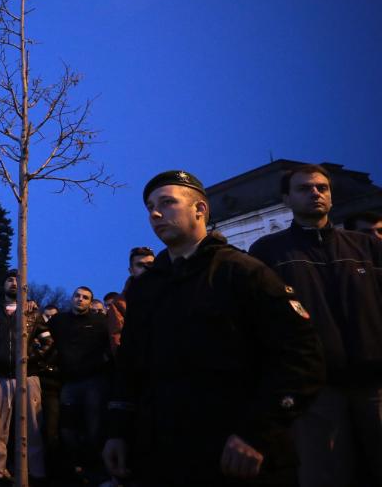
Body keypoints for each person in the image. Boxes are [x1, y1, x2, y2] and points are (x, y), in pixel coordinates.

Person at [103, 170, 325, 486]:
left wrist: (256, 433)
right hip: (163, 454)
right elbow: (131, 366)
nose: (154, 213)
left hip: (233, 454)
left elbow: (302, 358)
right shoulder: (145, 288)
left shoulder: (244, 272)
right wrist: (117, 431)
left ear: (200, 210)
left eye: (167, 202)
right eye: (150, 206)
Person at [249, 164, 382, 487]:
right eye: (304, 188)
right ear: (286, 199)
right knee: (324, 474)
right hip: (313, 388)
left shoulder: (366, 248)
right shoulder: (268, 251)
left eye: (322, 187)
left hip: (375, 382)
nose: (315, 193)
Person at [0, 269, 46, 483]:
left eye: (18, 279)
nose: (13, 283)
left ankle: (35, 472)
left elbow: (48, 341)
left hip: (28, 376)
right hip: (0, 376)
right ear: (3, 285)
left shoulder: (32, 311)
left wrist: (31, 358)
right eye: (9, 279)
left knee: (33, 427)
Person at [49, 286, 111, 476]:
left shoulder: (100, 322)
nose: (80, 299)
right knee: (67, 428)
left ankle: (93, 469)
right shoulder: (59, 321)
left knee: (94, 427)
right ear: (72, 298)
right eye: (77, 296)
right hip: (69, 381)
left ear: (90, 302)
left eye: (85, 297)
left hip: (93, 381)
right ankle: (74, 468)